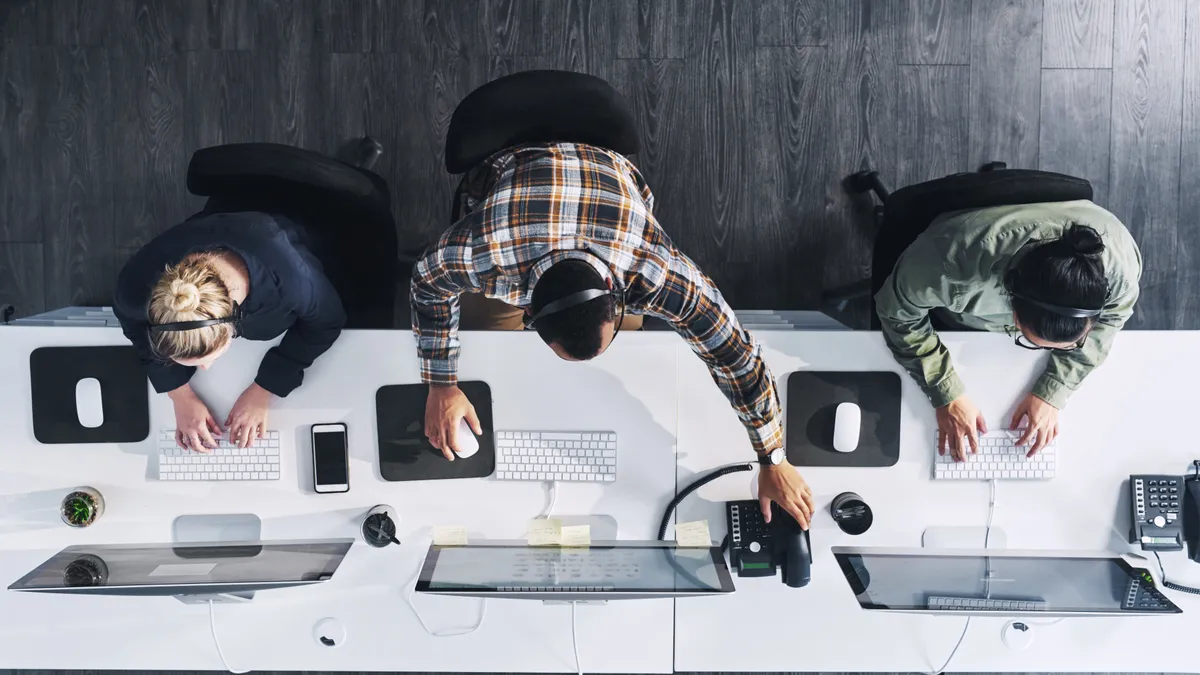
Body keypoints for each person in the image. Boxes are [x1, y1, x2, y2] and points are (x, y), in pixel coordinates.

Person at [410, 142, 815, 529]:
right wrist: (442, 385)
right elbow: (426, 282)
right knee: (489, 344)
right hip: (515, 175)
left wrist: (773, 458)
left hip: (608, 199)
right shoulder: (484, 252)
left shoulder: (652, 268)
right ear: (527, 311)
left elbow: (736, 357)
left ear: (617, 296)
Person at [875, 200, 1142, 462]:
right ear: (1012, 313)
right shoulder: (947, 265)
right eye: (1031, 341)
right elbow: (897, 314)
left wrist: (1054, 389)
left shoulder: (1120, 269)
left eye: (1071, 344)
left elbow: (1112, 319)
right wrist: (946, 393)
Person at [114, 211, 346, 452]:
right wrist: (179, 394)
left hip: (297, 223)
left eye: (208, 358)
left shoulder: (292, 283)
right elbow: (132, 324)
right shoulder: (135, 289)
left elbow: (327, 322)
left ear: (232, 324)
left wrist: (266, 387)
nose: (204, 368)